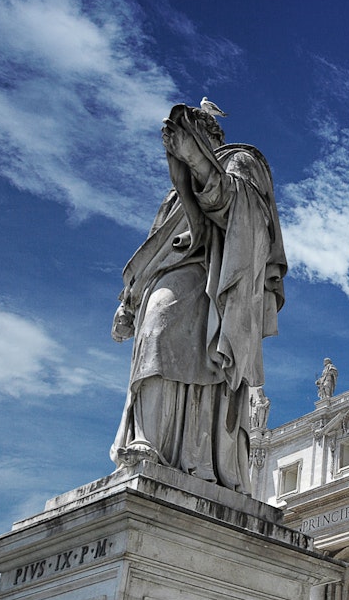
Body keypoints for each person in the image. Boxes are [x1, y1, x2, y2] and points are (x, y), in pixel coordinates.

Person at [111, 103, 286, 495]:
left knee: (169, 338)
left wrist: (200, 164)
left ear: (207, 137)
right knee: (154, 333)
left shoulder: (239, 161)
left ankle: (190, 454)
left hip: (214, 275)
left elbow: (242, 212)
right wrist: (130, 300)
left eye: (188, 139)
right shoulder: (172, 197)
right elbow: (153, 251)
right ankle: (148, 441)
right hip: (171, 274)